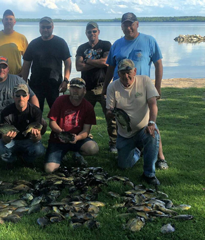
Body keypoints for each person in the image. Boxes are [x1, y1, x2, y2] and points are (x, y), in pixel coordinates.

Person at [102, 12, 167, 169]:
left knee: (150, 122)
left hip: (143, 88)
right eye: (125, 24)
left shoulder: (149, 41)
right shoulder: (116, 44)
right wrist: (105, 87)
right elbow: (111, 67)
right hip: (122, 89)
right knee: (125, 119)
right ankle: (131, 147)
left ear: (137, 24)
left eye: (131, 23)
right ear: (122, 26)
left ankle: (160, 157)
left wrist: (157, 87)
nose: (128, 27)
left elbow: (158, 64)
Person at [106, 59, 160, 185]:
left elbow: (153, 104)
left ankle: (149, 174)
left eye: (128, 72)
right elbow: (109, 110)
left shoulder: (145, 80)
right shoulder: (112, 86)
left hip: (143, 128)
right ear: (118, 73)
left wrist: (151, 123)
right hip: (124, 134)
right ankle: (137, 151)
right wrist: (110, 114)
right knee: (124, 166)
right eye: (122, 73)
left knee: (153, 135)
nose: (126, 76)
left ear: (134, 71)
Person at [75, 21, 116, 151]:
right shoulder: (82, 48)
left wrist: (87, 61)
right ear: (86, 33)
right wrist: (95, 63)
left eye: (94, 31)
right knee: (84, 116)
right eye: (89, 31)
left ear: (98, 32)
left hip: (103, 86)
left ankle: (114, 142)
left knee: (110, 115)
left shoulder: (105, 45)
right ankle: (86, 139)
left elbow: (105, 62)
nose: (91, 33)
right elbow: (78, 66)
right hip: (86, 87)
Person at [45, 78, 99, 173]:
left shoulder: (88, 107)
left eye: (78, 88)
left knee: (93, 148)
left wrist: (77, 138)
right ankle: (62, 154)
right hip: (58, 139)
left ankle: (77, 154)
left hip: (77, 139)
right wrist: (61, 133)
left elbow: (86, 131)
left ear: (84, 91)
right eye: (73, 87)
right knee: (49, 170)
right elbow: (52, 122)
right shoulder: (60, 100)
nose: (75, 90)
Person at [21, 16, 71, 112]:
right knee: (35, 113)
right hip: (36, 85)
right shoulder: (33, 44)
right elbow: (26, 64)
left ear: (52, 27)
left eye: (48, 27)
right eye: (43, 27)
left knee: (56, 114)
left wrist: (66, 80)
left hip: (55, 85)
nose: (45, 29)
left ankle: (56, 128)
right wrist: (24, 83)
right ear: (39, 28)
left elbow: (68, 62)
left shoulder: (60, 42)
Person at [0, 56, 40, 128]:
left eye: (4, 67)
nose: (1, 69)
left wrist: (35, 117)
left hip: (16, 124)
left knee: (41, 125)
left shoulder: (17, 80)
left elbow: (32, 96)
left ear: (8, 69)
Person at [0, 84, 45, 167]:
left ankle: (26, 159)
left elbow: (38, 139)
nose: (21, 98)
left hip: (28, 140)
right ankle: (13, 159)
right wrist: (7, 138)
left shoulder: (36, 111)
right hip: (12, 141)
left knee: (40, 150)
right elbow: (4, 138)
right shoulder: (6, 112)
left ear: (28, 96)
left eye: (24, 95)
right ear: (13, 97)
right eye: (18, 95)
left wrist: (36, 136)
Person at [0, 9, 28, 76]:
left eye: (11, 19)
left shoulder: (22, 38)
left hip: (16, 76)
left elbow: (27, 59)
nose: (8, 21)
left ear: (14, 22)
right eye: (6, 19)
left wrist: (23, 72)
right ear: (2, 21)